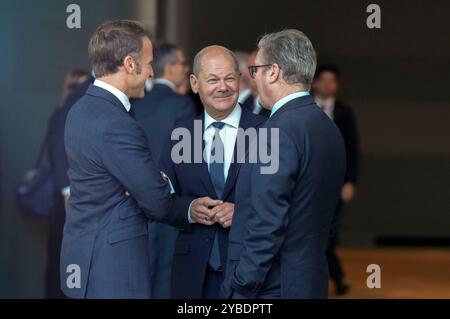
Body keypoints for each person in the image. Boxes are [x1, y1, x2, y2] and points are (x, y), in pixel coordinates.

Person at [60, 20, 183, 299]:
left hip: (84, 259)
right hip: (113, 270)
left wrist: (140, 185)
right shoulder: (116, 122)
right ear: (129, 64)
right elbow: (157, 201)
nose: (152, 72)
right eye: (149, 63)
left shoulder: (79, 109)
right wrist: (158, 179)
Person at [220, 29, 346, 299]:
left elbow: (267, 222)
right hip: (310, 279)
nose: (253, 79)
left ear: (273, 72)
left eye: (256, 70)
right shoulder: (327, 128)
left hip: (271, 286)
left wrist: (242, 284)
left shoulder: (275, 132)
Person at [159, 45, 266, 298]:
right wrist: (189, 209)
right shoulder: (180, 135)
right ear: (195, 83)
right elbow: (162, 201)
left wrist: (242, 213)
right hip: (193, 272)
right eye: (213, 80)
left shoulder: (266, 132)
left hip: (250, 269)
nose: (223, 87)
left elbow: (284, 200)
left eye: (229, 78)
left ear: (240, 80)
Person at [131, 43, 196, 298]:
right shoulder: (182, 105)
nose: (186, 68)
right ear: (169, 68)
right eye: (182, 63)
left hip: (137, 197)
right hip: (171, 199)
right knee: (167, 274)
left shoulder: (134, 104)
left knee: (142, 268)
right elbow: (187, 159)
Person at [312, 64, 360, 295]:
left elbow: (353, 148)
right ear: (314, 82)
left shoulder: (344, 112)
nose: (328, 84)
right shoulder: (304, 107)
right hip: (307, 183)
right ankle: (335, 278)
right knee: (314, 235)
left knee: (328, 235)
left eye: (333, 80)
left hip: (335, 183)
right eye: (324, 79)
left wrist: (350, 181)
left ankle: (336, 279)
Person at [46, 68, 90, 299]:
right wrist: (67, 190)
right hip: (66, 201)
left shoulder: (59, 113)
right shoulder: (62, 116)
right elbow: (57, 153)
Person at [236, 50, 270, 117]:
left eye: (253, 69)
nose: (244, 73)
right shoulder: (244, 101)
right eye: (247, 68)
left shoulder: (273, 104)